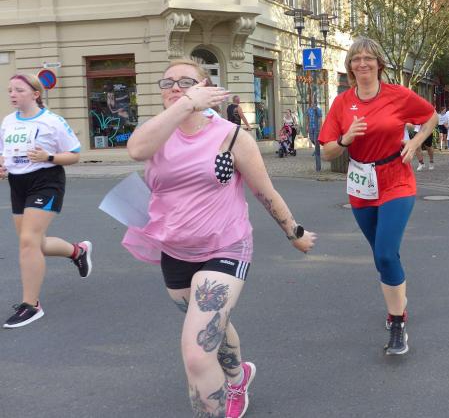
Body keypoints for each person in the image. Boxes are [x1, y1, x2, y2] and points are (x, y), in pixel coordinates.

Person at [124, 59, 316, 418]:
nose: (175, 88)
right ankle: (238, 376)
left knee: (197, 353)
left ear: (207, 89)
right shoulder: (157, 133)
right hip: (175, 249)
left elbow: (264, 191)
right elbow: (136, 150)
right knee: (215, 324)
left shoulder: (231, 136)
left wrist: (294, 232)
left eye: (186, 82)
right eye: (168, 83)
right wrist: (184, 105)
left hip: (226, 246)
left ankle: (227, 391)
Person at [319, 37, 437, 356]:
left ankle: (397, 322)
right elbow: (327, 152)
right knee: (382, 254)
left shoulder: (398, 95)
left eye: (368, 58)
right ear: (350, 66)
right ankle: (399, 298)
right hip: (361, 183)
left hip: (396, 178)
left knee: (385, 254)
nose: (363, 63)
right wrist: (345, 139)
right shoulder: (342, 103)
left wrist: (415, 143)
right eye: (356, 59)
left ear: (379, 64)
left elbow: (430, 116)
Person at [0, 74, 90, 329]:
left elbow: (74, 155)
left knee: (28, 241)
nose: (13, 94)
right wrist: (2, 165)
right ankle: (78, 251)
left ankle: (31, 305)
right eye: (10, 90)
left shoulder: (52, 121)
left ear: (35, 94)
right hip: (18, 184)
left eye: (19, 90)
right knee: (35, 243)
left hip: (46, 181)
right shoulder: (8, 121)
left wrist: (48, 157)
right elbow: (4, 153)